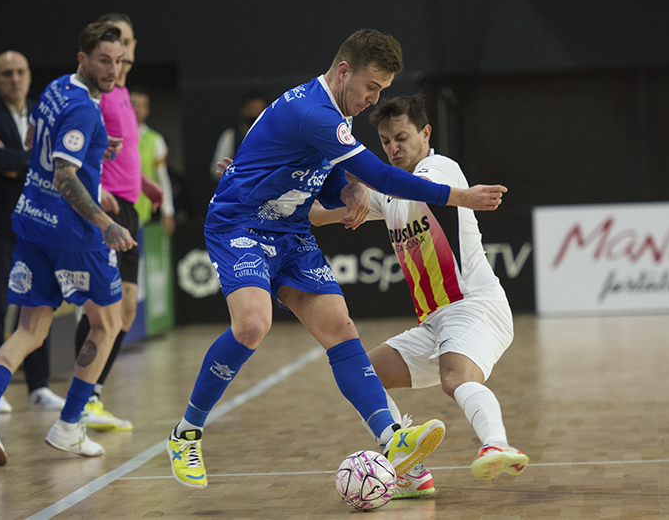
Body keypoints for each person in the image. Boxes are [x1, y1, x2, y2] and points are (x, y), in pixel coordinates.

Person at [166, 28, 507, 489]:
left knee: (341, 330)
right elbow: (384, 177)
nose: (373, 99)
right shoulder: (315, 113)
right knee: (252, 325)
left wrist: (346, 187)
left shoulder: (330, 116)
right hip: (241, 225)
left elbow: (331, 178)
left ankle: (393, 440)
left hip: (290, 230)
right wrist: (458, 195)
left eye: (382, 91)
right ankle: (186, 433)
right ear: (344, 71)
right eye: (372, 87)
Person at [310, 94, 527, 498]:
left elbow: (416, 188)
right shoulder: (389, 189)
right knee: (364, 376)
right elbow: (320, 213)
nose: (393, 148)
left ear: (425, 133)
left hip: (475, 306)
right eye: (386, 141)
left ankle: (497, 443)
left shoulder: (438, 167)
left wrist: (356, 181)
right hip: (434, 322)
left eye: (402, 137)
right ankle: (411, 472)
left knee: (455, 377)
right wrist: (262, 188)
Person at [0, 22, 136, 465]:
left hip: (30, 223)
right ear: (83, 59)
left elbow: (31, 140)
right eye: (104, 60)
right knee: (108, 323)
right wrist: (106, 225)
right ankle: (69, 426)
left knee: (30, 330)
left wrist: (97, 148)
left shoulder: (58, 88)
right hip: (75, 234)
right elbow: (64, 175)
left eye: (118, 61)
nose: (113, 70)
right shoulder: (83, 109)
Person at [70, 13, 159, 433]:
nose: (119, 55)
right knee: (105, 308)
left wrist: (147, 186)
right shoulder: (99, 94)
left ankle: (92, 395)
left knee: (124, 311)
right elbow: (87, 147)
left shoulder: (122, 92)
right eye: (112, 47)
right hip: (107, 208)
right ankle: (84, 397)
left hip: (130, 206)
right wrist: (98, 186)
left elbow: (120, 152)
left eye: (125, 43)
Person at [0, 51, 64, 413]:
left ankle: (38, 385)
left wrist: (15, 160)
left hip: (37, 223)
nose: (14, 79)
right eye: (7, 73)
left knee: (40, 302)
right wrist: (33, 161)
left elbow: (52, 161)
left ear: (29, 75)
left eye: (21, 72)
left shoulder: (44, 111)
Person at [129, 87, 175, 235]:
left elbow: (162, 177)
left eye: (142, 105)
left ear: (147, 110)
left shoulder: (156, 140)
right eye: (133, 104)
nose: (137, 109)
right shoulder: (113, 135)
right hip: (115, 210)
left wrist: (168, 211)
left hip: (143, 214)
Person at [209, 90, 268, 179]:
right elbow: (217, 169)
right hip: (241, 187)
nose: (256, 112)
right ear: (243, 110)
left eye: (260, 108)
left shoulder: (275, 135)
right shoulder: (231, 135)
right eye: (252, 108)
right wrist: (234, 172)